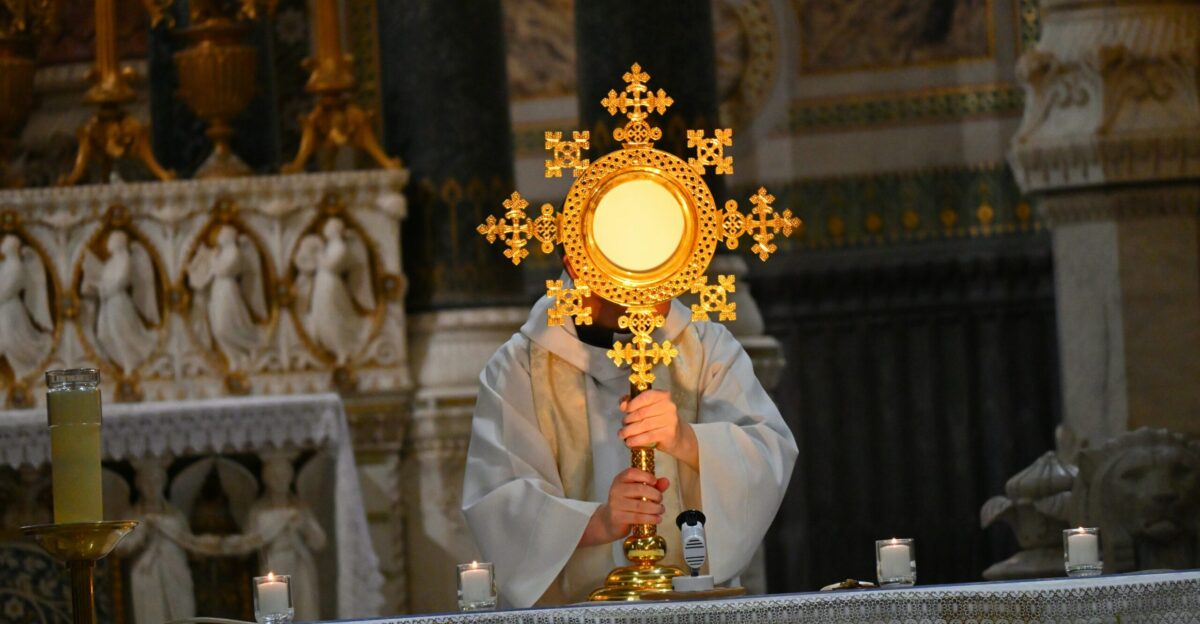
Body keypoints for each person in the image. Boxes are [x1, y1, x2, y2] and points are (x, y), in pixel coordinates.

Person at [462, 267, 797, 606]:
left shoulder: (705, 346)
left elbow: (768, 456)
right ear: (575, 255)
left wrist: (686, 441)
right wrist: (599, 522)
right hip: (577, 610)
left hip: (691, 606)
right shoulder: (520, 364)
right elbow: (498, 500)